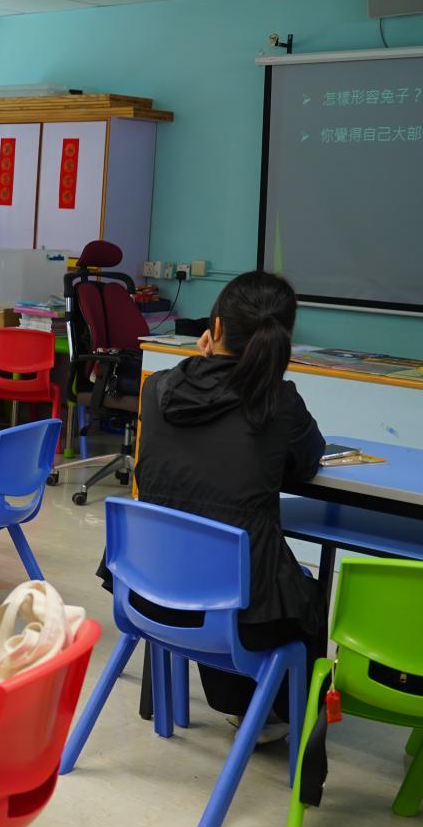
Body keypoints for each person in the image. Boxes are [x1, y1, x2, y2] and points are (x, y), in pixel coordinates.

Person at [122, 271, 326, 736]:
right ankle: (275, 718)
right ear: (281, 340)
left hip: (148, 593)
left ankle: (244, 706)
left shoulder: (158, 390)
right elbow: (305, 464)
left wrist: (204, 362)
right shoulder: (279, 402)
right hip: (232, 615)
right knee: (301, 594)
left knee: (226, 563)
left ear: (213, 329)